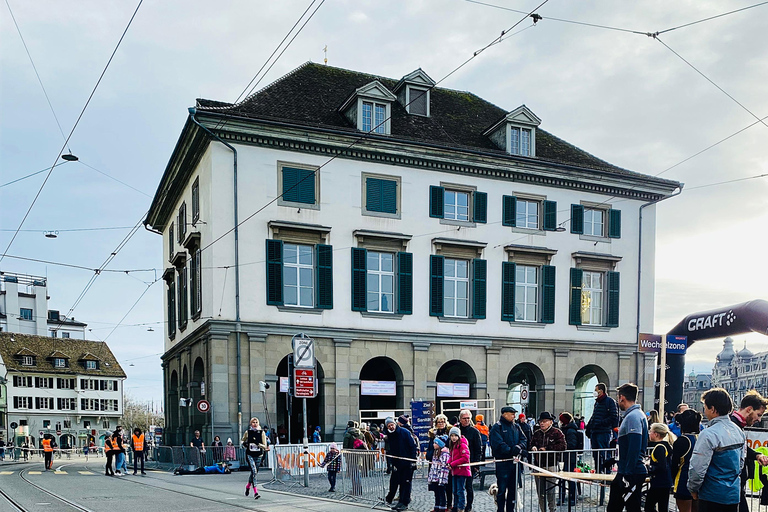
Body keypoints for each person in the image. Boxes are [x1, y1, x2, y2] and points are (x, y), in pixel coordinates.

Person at [688, 388, 745, 512]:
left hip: (711, 494)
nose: (704, 411)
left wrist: (693, 488)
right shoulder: (738, 431)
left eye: (705, 407)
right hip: (733, 494)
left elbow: (698, 468)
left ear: (712, 409)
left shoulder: (708, 434)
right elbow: (740, 464)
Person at [606, 383, 647, 512]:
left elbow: (634, 447)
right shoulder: (637, 415)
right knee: (630, 507)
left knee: (618, 507)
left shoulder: (633, 417)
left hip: (630, 472)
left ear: (621, 397)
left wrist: (627, 475)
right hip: (629, 470)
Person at [729, 390, 768, 512]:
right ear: (749, 409)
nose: (759, 419)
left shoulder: (737, 425)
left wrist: (756, 455)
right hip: (731, 486)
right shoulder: (732, 425)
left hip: (735, 486)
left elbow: (742, 447)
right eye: (759, 414)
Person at [490, 405, 528, 512]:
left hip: (514, 463)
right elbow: (498, 444)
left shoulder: (516, 427)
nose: (514, 416)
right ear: (504, 414)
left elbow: (524, 439)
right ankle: (500, 510)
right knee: (501, 490)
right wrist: (511, 450)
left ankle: (510, 510)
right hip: (503, 463)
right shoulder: (497, 427)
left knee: (512, 490)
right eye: (512, 414)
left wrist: (519, 447)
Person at [530, 411, 566, 512]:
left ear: (550, 422)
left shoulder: (557, 432)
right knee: (540, 491)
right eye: (541, 421)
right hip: (538, 465)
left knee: (551, 491)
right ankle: (543, 510)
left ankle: (552, 509)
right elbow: (530, 443)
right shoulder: (536, 433)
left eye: (544, 421)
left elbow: (563, 446)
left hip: (551, 465)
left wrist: (547, 448)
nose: (542, 423)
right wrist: (533, 447)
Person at [670, 409, 702, 512]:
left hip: (683, 482)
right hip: (700, 482)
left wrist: (671, 480)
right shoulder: (702, 439)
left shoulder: (682, 441)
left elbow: (674, 464)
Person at [384, 416, 418, 511]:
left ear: (395, 424)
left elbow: (412, 446)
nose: (391, 427)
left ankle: (404, 502)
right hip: (397, 463)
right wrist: (391, 463)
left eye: (392, 425)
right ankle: (398, 501)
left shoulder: (404, 432)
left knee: (406, 483)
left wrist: (413, 460)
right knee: (396, 482)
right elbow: (391, 450)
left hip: (407, 462)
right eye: (389, 426)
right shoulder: (390, 435)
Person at [586, 382, 619, 474]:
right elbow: (594, 416)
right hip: (595, 431)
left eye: (596, 390)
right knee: (595, 454)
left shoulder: (609, 401)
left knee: (604, 453)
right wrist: (589, 427)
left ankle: (607, 471)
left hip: (604, 431)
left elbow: (614, 416)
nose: (595, 392)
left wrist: (601, 423)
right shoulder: (597, 403)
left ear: (601, 391)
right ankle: (598, 471)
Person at [457, 409, 482, 512]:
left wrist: (476, 464)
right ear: (460, 419)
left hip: (470, 463)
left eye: (468, 418)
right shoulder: (456, 430)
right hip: (457, 463)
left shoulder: (474, 431)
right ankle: (458, 504)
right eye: (464, 418)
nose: (466, 420)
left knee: (469, 486)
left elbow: (478, 449)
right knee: (458, 487)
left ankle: (469, 505)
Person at [647, 423, 676, 512]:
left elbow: (662, 466)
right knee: (663, 507)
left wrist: (650, 467)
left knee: (649, 506)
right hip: (665, 482)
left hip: (659, 482)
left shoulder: (659, 447)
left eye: (650, 431)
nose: (649, 433)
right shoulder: (666, 445)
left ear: (656, 434)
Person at [427, 414, 453, 510]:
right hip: (434, 462)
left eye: (443, 421)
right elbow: (430, 447)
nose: (441, 423)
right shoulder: (433, 434)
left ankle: (448, 505)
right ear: (436, 423)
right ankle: (437, 505)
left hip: (445, 463)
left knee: (447, 486)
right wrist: (429, 455)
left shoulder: (449, 434)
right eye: (439, 422)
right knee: (436, 486)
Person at [241, 417, 268, 499]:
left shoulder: (262, 433)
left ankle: (248, 485)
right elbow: (242, 441)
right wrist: (244, 444)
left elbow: (265, 445)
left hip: (259, 455)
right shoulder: (247, 432)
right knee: (254, 471)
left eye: (256, 422)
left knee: (254, 473)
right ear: (250, 423)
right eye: (253, 422)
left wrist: (258, 444)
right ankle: (256, 492)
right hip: (250, 455)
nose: (255, 424)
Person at [559, 412, 581, 506]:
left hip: (569, 458)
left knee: (570, 479)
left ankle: (572, 497)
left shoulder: (570, 431)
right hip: (565, 458)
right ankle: (562, 497)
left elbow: (572, 444)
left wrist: (563, 447)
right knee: (562, 479)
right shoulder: (565, 429)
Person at [448, 426, 471, 512]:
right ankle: (455, 506)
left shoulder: (462, 445)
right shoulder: (453, 445)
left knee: (460, 490)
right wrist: (448, 462)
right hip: (454, 471)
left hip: (462, 471)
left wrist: (452, 464)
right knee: (455, 490)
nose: (453, 438)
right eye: (452, 436)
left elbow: (465, 458)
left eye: (455, 436)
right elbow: (451, 456)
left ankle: (461, 507)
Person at [428, 435, 451, 512]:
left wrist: (441, 480)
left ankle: (442, 507)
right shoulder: (435, 453)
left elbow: (444, 468)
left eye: (435, 443)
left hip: (441, 478)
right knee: (436, 494)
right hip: (435, 477)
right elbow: (433, 467)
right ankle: (436, 507)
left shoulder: (445, 454)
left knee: (442, 494)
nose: (433, 444)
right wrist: (431, 477)